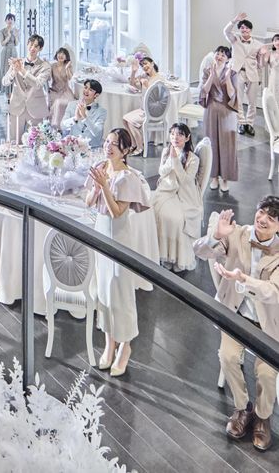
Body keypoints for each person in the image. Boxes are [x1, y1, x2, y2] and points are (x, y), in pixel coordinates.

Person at [193, 196, 279, 451]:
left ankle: (263, 417)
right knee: (227, 356)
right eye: (261, 213)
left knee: (267, 372)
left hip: (268, 323)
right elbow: (199, 251)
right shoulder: (237, 233)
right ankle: (243, 408)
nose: (263, 220)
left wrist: (244, 280)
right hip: (235, 314)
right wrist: (216, 236)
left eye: (271, 218)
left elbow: (274, 291)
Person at [85, 128, 152, 378]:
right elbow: (88, 202)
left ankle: (125, 345)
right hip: (100, 235)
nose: (108, 146)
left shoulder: (128, 178)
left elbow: (116, 212)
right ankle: (109, 342)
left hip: (119, 239)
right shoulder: (101, 167)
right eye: (107, 141)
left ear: (125, 150)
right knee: (104, 291)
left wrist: (104, 186)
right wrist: (96, 187)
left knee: (121, 293)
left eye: (114, 144)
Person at [152, 123, 202, 272]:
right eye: (173, 134)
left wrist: (175, 161)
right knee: (157, 212)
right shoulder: (167, 151)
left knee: (178, 220)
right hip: (166, 189)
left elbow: (185, 181)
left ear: (187, 137)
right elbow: (162, 172)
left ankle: (177, 256)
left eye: (180, 134)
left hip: (184, 193)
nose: (175, 137)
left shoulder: (193, 159)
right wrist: (171, 159)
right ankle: (162, 253)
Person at [200, 45, 239, 192]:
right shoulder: (207, 70)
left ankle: (225, 178)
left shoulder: (232, 73)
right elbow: (204, 90)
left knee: (227, 145)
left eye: (223, 55)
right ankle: (214, 177)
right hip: (211, 111)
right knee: (212, 143)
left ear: (228, 59)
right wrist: (211, 76)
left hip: (227, 113)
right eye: (218, 54)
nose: (220, 57)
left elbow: (232, 94)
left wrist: (227, 77)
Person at [2, 34, 51, 142]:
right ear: (27, 44)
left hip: (36, 109)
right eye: (31, 44)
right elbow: (4, 82)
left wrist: (22, 70)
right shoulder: (17, 62)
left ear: (40, 49)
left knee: (35, 143)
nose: (32, 48)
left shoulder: (45, 66)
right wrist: (13, 72)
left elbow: (38, 84)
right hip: (17, 106)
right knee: (14, 141)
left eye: (36, 46)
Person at [224, 12, 263, 136]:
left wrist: (260, 76)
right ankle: (241, 122)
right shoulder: (235, 39)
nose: (244, 30)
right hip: (238, 72)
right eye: (241, 28)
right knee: (239, 100)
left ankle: (250, 124)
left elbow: (260, 63)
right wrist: (235, 20)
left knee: (252, 101)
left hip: (253, 74)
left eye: (246, 28)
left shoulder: (258, 44)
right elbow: (226, 31)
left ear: (250, 30)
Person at [122, 56, 163, 155]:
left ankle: (140, 147)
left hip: (153, 111)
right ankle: (134, 144)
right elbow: (132, 84)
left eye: (145, 63)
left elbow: (158, 98)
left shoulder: (159, 79)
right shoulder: (145, 77)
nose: (144, 66)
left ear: (152, 63)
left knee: (131, 122)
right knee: (124, 119)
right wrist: (133, 72)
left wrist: (147, 86)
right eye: (142, 65)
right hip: (144, 109)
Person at [61, 78, 107, 148]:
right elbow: (63, 126)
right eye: (85, 87)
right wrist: (76, 118)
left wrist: (85, 117)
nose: (86, 91)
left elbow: (97, 133)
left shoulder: (101, 111)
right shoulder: (72, 105)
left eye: (90, 90)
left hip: (92, 147)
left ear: (96, 95)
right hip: (73, 146)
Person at [48, 46, 75, 128]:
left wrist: (67, 68)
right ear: (56, 55)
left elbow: (70, 78)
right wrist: (46, 67)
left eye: (63, 54)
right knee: (56, 103)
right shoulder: (52, 66)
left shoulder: (68, 66)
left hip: (65, 90)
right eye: (59, 53)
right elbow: (49, 78)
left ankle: (63, 126)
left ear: (66, 57)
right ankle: (54, 125)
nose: (61, 55)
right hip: (54, 90)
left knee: (67, 103)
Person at [0, 13, 19, 98]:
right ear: (5, 21)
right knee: (5, 70)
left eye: (12, 19)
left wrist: (16, 36)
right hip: (5, 51)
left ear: (14, 21)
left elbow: (16, 44)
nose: (10, 21)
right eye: (8, 19)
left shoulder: (16, 30)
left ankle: (13, 90)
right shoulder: (2, 31)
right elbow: (2, 44)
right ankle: (7, 92)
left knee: (14, 70)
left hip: (13, 51)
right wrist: (9, 36)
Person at [259, 33, 279, 101]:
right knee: (274, 98)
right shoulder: (270, 53)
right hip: (274, 79)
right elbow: (262, 65)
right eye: (275, 40)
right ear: (273, 42)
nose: (277, 42)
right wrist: (262, 55)